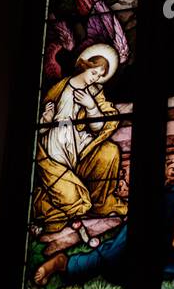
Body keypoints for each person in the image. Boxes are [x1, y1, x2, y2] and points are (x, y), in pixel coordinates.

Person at [31, 174, 174, 289]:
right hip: (152, 221)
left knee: (140, 272)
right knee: (113, 256)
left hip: (166, 249)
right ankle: (64, 263)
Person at [32, 45, 126, 255]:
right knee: (77, 202)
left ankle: (100, 204)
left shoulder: (94, 94)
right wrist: (45, 120)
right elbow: (42, 127)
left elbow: (101, 126)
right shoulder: (59, 89)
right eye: (94, 73)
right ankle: (42, 210)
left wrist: (91, 106)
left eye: (100, 76)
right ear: (84, 66)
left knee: (110, 151)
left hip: (78, 150)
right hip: (53, 155)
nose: (96, 78)